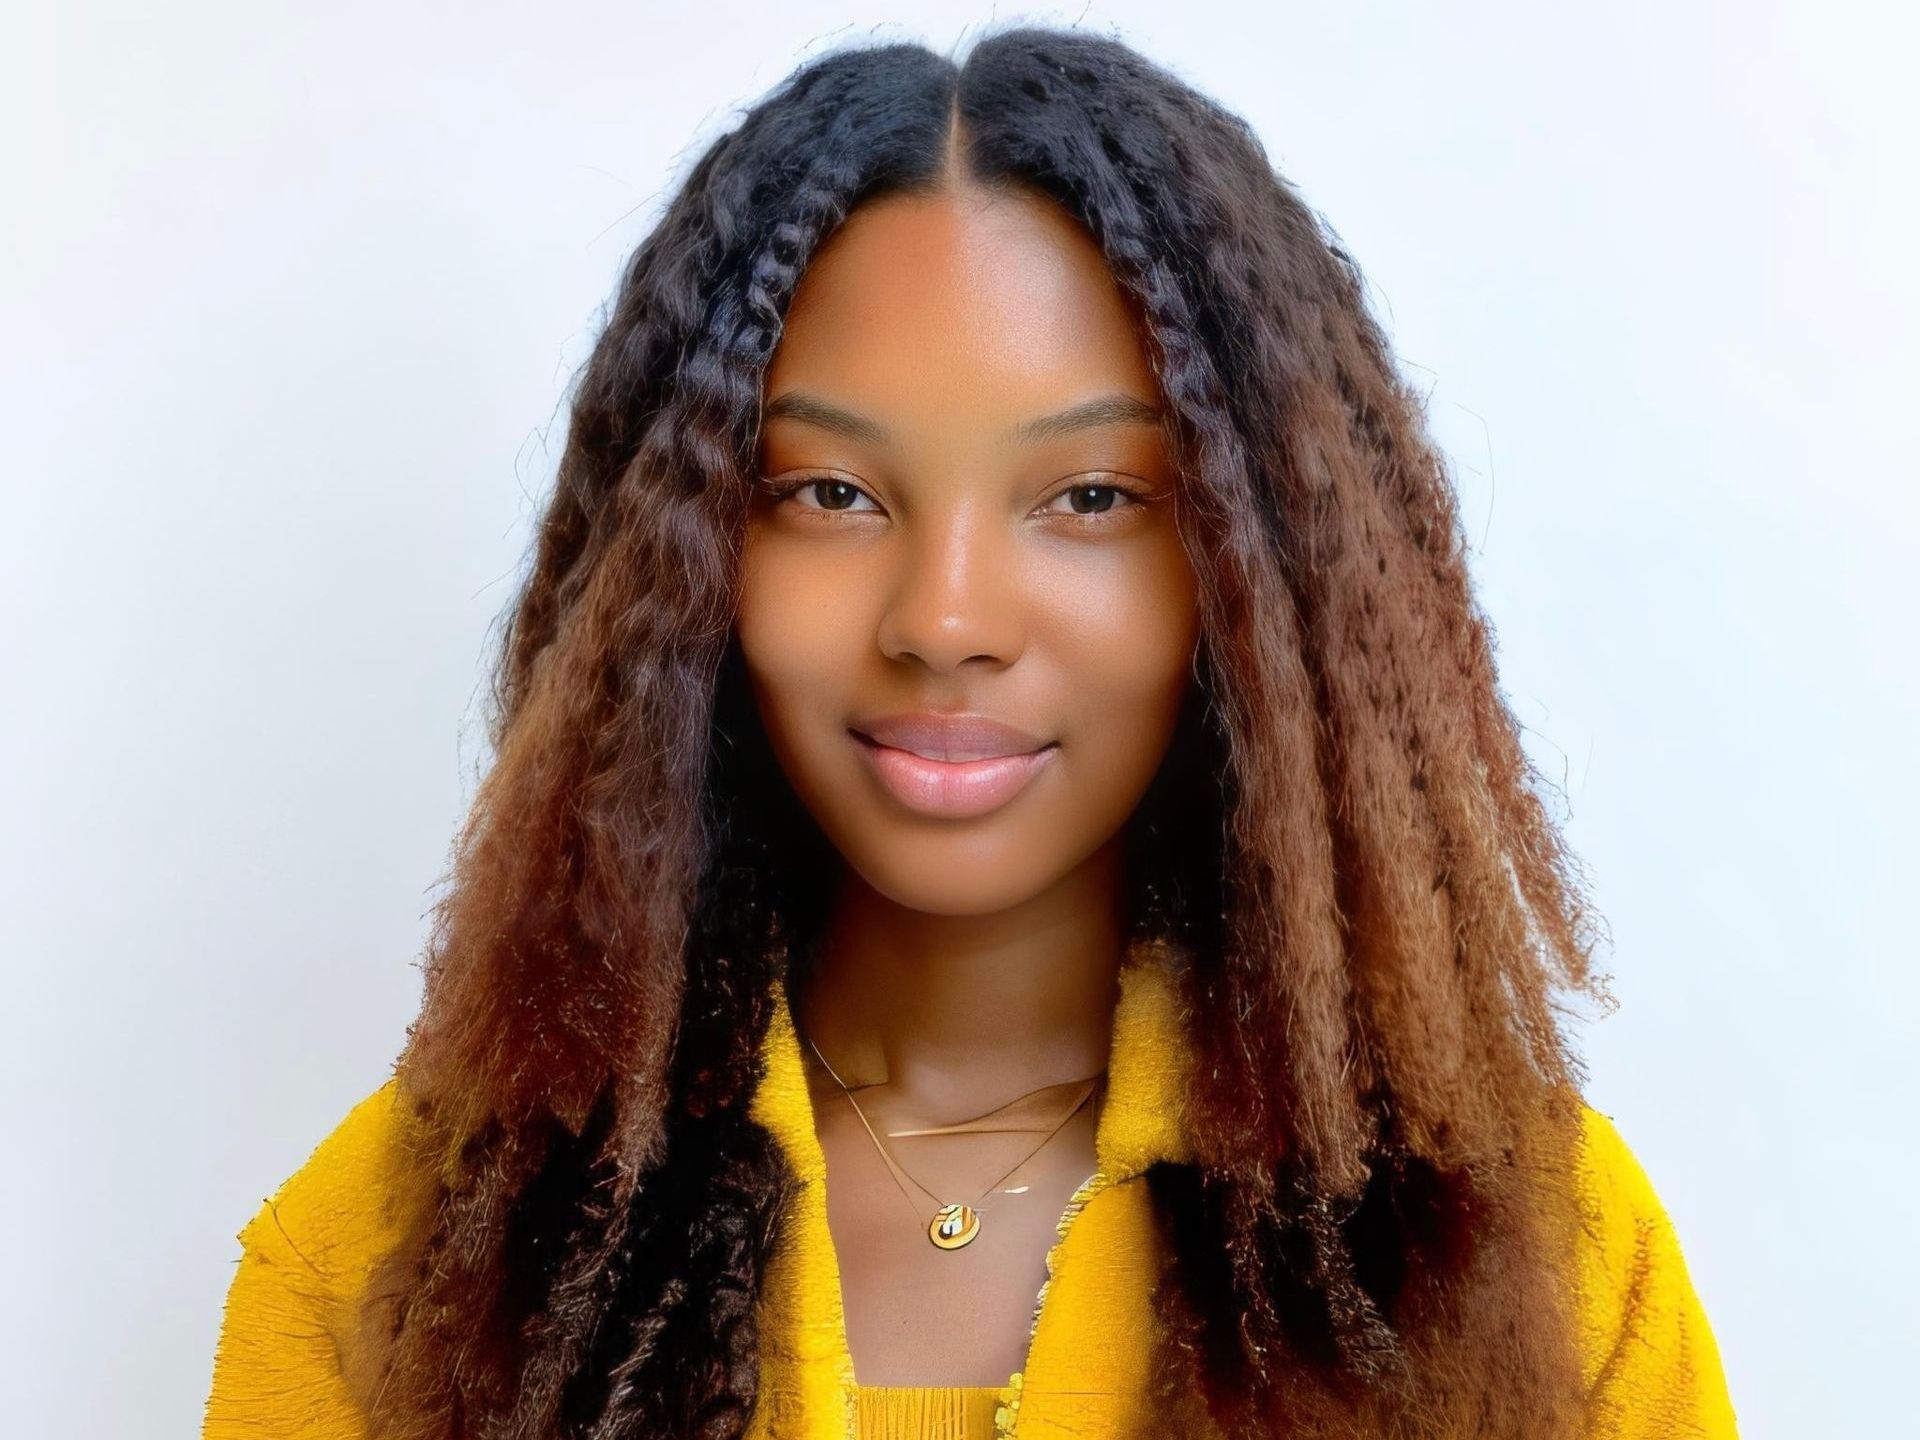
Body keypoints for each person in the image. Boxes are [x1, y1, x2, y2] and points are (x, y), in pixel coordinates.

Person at [202, 25, 1739, 1440]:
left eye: (1090, 499)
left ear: (1263, 584)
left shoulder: (1541, 1258)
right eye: (830, 494)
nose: (945, 617)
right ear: (676, 572)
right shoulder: (381, 1262)